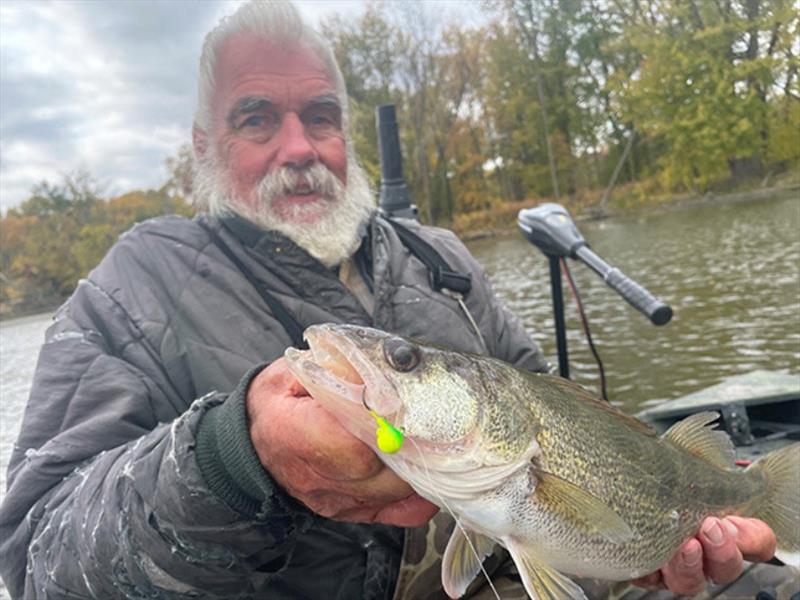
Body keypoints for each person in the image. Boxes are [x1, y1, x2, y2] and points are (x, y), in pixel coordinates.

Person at [0, 2, 782, 599]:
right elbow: (34, 555)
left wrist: (628, 559)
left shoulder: (439, 260)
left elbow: (558, 418)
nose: (299, 146)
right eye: (256, 118)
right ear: (204, 147)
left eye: (321, 116)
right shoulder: (131, 290)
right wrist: (232, 458)